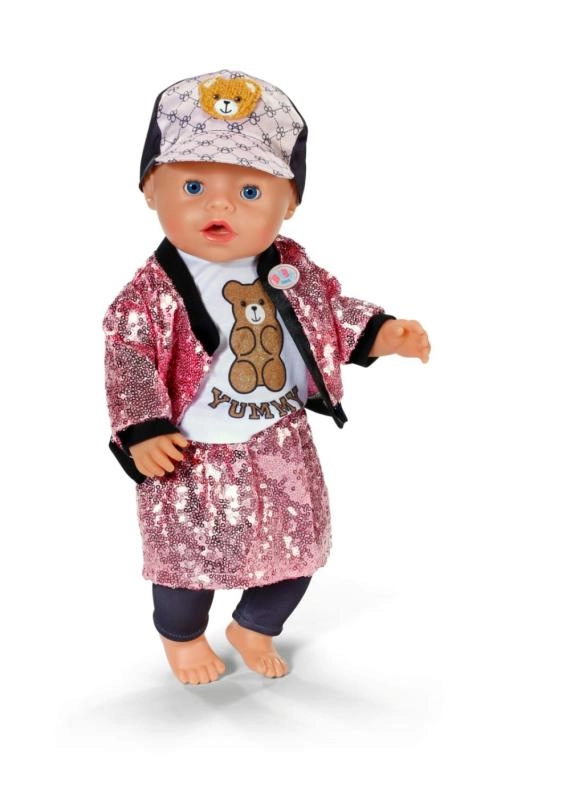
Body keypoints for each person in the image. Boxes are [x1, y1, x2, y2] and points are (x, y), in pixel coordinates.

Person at [102, 69, 430, 686]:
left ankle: (254, 625)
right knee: (185, 563)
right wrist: (142, 429)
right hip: (190, 453)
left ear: (290, 204)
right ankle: (182, 638)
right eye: (193, 185)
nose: (220, 204)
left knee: (298, 549)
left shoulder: (291, 268)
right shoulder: (148, 295)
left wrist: (381, 334)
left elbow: (329, 311)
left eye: (251, 191)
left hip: (278, 439)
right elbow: (129, 358)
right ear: (150, 190)